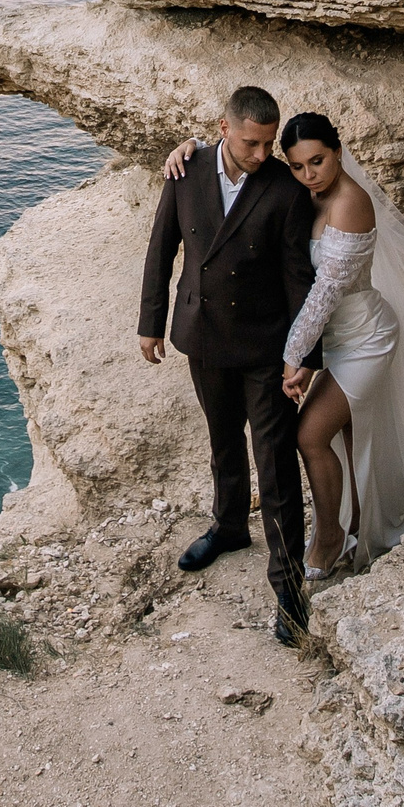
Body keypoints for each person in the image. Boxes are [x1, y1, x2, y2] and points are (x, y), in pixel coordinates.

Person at [163, 111, 404, 576]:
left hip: (362, 339)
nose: (308, 174)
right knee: (350, 437)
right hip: (327, 340)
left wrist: (293, 358)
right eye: (297, 166)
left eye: (317, 161)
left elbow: (322, 296)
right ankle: (359, 524)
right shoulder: (302, 191)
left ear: (339, 152)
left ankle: (331, 539)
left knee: (309, 433)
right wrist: (191, 148)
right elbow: (237, 165)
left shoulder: (350, 203)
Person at [138, 85, 319, 646]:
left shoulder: (285, 191)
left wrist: (302, 356)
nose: (262, 154)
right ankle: (229, 526)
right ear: (224, 127)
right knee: (221, 441)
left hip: (265, 347)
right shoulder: (184, 171)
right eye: (251, 143)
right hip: (204, 334)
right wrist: (150, 320)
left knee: (277, 462)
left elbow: (298, 279)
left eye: (269, 144)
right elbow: (162, 247)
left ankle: (288, 588)